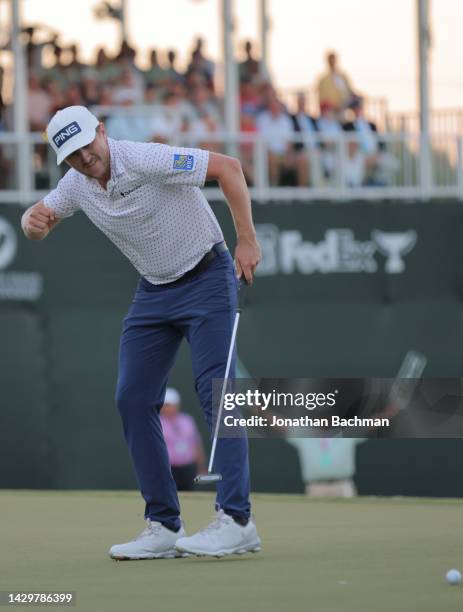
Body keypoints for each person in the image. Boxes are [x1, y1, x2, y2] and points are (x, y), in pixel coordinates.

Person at [20, 105, 262, 560]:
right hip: (154, 292)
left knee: (218, 394)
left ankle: (237, 521)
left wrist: (246, 238)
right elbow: (40, 219)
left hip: (207, 277)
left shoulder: (146, 158)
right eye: (71, 154)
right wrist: (30, 225)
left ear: (102, 132)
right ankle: (164, 525)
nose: (85, 158)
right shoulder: (75, 184)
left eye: (87, 146)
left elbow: (228, 169)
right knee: (132, 398)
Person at [160, 387, 207, 490]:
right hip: (167, 469)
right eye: (165, 405)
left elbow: (196, 445)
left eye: (170, 405)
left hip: (188, 468)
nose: (168, 408)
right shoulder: (157, 423)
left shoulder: (187, 420)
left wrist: (201, 468)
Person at [317, 51, 357, 117]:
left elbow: (349, 91)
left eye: (334, 60)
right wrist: (333, 107)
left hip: (344, 111)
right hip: (330, 113)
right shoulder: (323, 79)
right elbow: (322, 98)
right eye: (331, 60)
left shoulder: (342, 76)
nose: (333, 62)